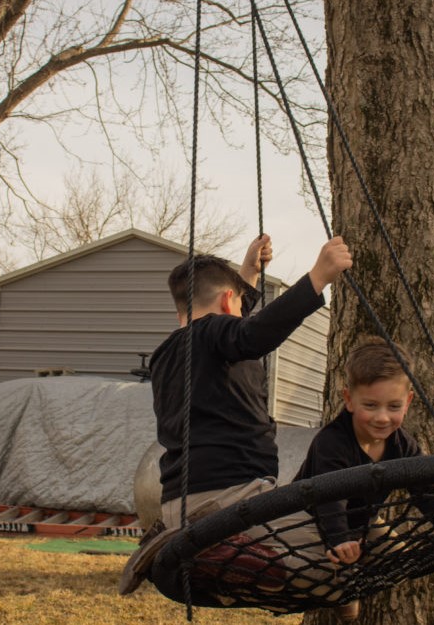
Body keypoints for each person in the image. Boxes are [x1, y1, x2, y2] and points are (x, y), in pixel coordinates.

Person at [119, 233, 352, 594]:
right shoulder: (216, 333)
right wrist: (317, 277)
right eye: (242, 302)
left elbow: (233, 325)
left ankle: (203, 547)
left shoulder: (166, 356)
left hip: (179, 502)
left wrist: (247, 274)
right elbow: (250, 333)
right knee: (341, 549)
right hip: (232, 497)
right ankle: (232, 560)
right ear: (229, 301)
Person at [289, 336, 434, 621]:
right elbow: (327, 498)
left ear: (408, 402)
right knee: (317, 570)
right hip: (308, 520)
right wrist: (338, 540)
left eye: (393, 407)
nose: (382, 418)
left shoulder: (403, 445)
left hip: (361, 523)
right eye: (370, 405)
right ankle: (341, 584)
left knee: (399, 559)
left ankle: (349, 579)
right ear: (349, 400)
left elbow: (426, 488)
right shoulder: (332, 442)